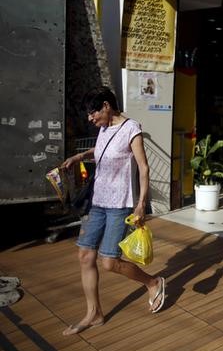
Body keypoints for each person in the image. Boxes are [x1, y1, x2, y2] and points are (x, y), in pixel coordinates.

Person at [60, 86, 165, 335]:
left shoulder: (131, 128)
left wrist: (140, 205)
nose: (90, 118)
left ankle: (153, 282)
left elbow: (144, 168)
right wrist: (79, 157)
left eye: (93, 112)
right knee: (85, 257)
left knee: (109, 262)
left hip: (120, 205)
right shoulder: (104, 128)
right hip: (99, 202)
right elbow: (101, 152)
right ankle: (94, 313)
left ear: (106, 106)